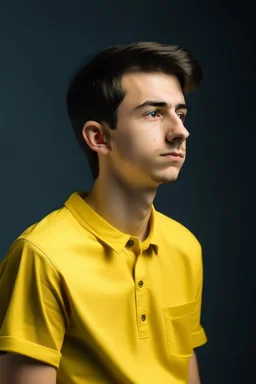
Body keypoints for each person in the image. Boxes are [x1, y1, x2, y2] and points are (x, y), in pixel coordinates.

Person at [0, 41, 207, 384]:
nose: (180, 131)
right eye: (154, 113)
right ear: (99, 138)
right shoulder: (42, 256)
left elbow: (184, 367)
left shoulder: (185, 246)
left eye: (180, 113)